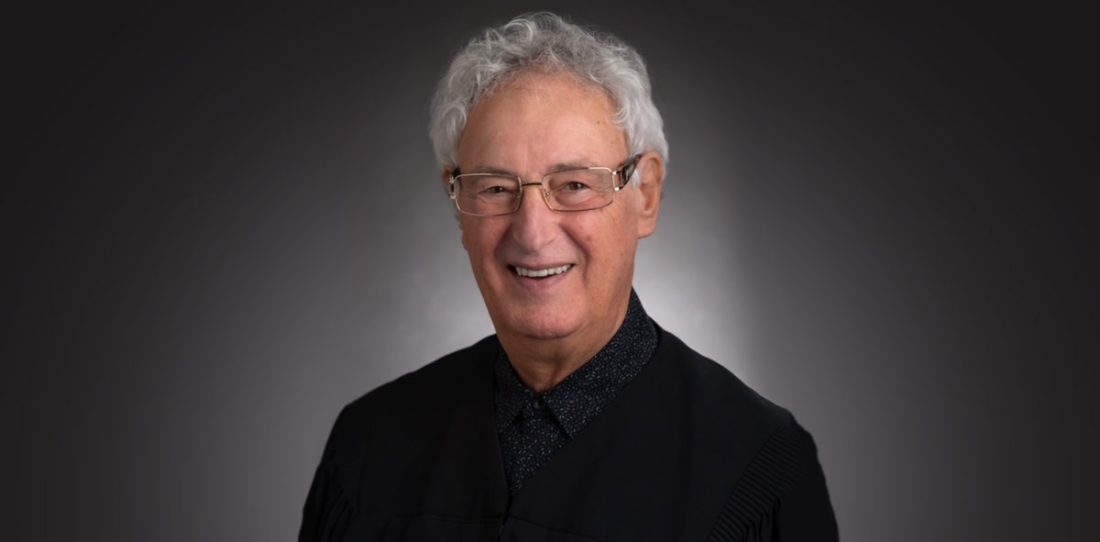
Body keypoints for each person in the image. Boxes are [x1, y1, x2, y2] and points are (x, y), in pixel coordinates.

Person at [300, 12, 837, 541]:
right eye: (495, 188)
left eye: (575, 184)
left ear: (646, 195)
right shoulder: (368, 447)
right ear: (458, 202)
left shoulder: (757, 471)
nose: (533, 233)